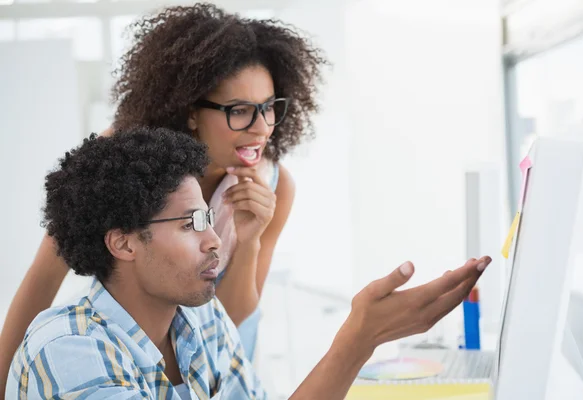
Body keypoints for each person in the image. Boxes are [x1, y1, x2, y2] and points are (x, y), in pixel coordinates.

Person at [6, 128, 491, 399]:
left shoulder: (201, 316)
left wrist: (363, 339)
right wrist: (357, 339)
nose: (215, 239)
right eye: (192, 222)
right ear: (125, 244)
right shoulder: (68, 349)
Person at [0, 3, 326, 387]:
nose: (261, 128)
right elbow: (42, 280)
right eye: (239, 110)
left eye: (269, 108)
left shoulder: (274, 186)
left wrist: (250, 239)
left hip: (220, 351)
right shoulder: (124, 158)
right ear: (191, 111)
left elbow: (229, 321)